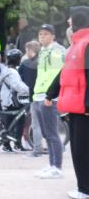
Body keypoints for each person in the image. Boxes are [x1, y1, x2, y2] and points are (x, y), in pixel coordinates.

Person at [45, 7, 89, 198]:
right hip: (75, 106)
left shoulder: (86, 43)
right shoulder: (75, 45)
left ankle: (85, 189)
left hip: (84, 107)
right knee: (78, 149)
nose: (68, 22)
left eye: (70, 19)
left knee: (82, 150)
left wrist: (88, 105)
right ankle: (83, 187)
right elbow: (64, 73)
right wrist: (50, 93)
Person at [32, 24, 67, 179]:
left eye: (45, 34)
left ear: (53, 36)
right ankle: (51, 164)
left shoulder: (58, 51)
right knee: (46, 133)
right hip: (38, 95)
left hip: (49, 97)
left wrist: (52, 95)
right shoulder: (43, 51)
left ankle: (57, 167)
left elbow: (63, 72)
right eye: (40, 34)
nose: (42, 37)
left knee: (52, 134)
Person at [0, 49, 31, 153]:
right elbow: (17, 85)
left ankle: (13, 144)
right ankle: (11, 145)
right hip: (11, 100)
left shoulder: (9, 70)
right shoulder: (11, 72)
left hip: (11, 99)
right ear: (16, 59)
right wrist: (30, 90)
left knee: (14, 121)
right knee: (15, 121)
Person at [20, 41, 41, 156]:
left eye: (26, 50)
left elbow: (20, 78)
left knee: (36, 124)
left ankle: (37, 150)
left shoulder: (26, 63)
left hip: (33, 96)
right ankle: (58, 146)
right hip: (44, 95)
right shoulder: (43, 63)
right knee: (48, 124)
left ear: (30, 50)